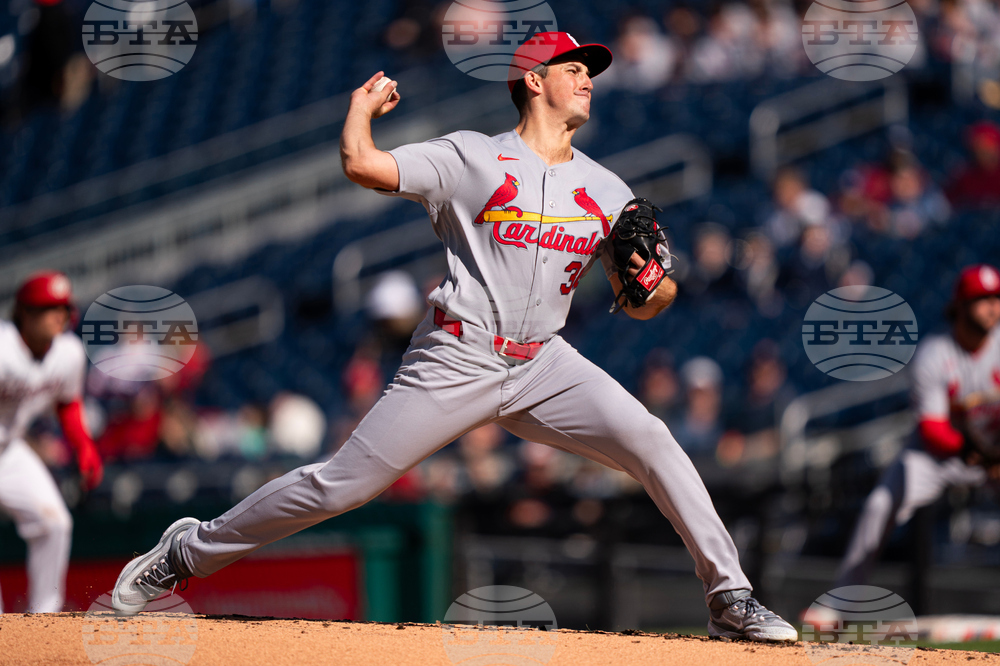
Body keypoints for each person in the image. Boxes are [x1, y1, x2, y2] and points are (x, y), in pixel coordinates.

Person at [110, 32, 797, 642]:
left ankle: (728, 595)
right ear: (533, 80)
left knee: (651, 438)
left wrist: (653, 283)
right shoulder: (471, 159)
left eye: (592, 69)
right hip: (458, 355)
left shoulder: (609, 190)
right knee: (340, 487)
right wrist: (359, 112)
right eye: (574, 67)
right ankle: (188, 551)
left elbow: (648, 302)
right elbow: (361, 164)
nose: (589, 77)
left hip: (545, 364)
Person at [834, 265, 1000, 590]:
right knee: (879, 505)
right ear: (961, 306)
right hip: (941, 457)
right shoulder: (935, 354)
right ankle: (841, 603)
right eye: (982, 299)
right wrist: (978, 454)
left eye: (996, 298)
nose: (993, 306)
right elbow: (933, 431)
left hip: (994, 453)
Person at [0, 272, 103, 613]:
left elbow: (67, 401)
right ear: (25, 314)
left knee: (54, 523)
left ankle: (44, 619)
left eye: (63, 307)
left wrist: (83, 445)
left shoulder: (68, 352)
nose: (59, 315)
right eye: (48, 308)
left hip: (8, 450)